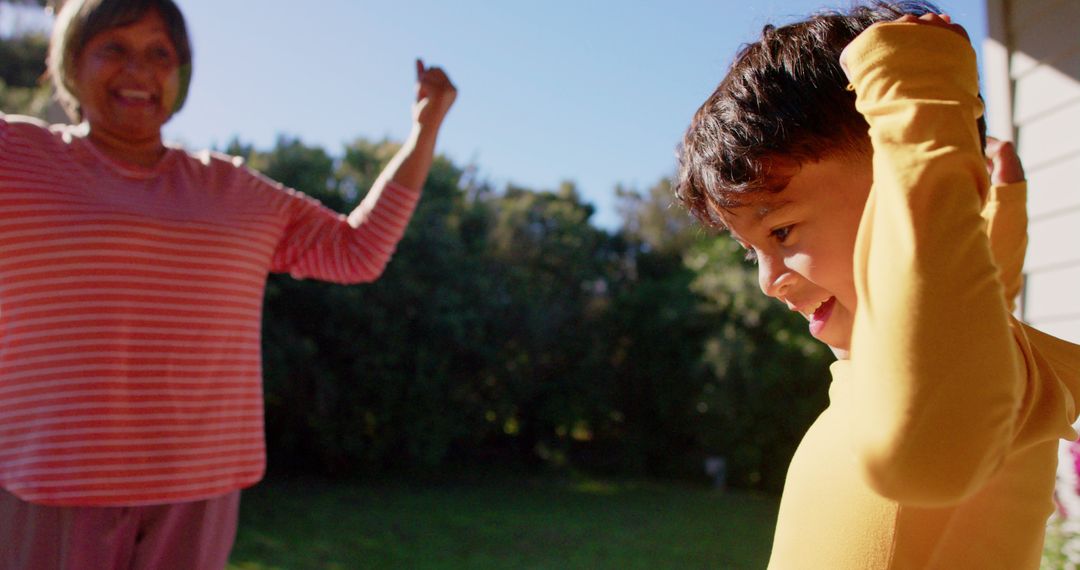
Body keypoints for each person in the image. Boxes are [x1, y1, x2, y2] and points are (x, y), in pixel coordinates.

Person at [0, 0, 456, 568]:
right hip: (53, 481)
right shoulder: (15, 155)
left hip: (199, 486)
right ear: (71, 63)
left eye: (159, 54)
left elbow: (355, 251)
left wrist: (425, 130)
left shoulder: (234, 192)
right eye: (113, 48)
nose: (139, 71)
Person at [675, 2, 1080, 568]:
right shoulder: (877, 371)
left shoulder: (986, 366)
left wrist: (921, 101)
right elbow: (957, 304)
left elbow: (922, 443)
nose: (768, 282)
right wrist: (986, 246)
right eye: (751, 254)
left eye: (783, 230)